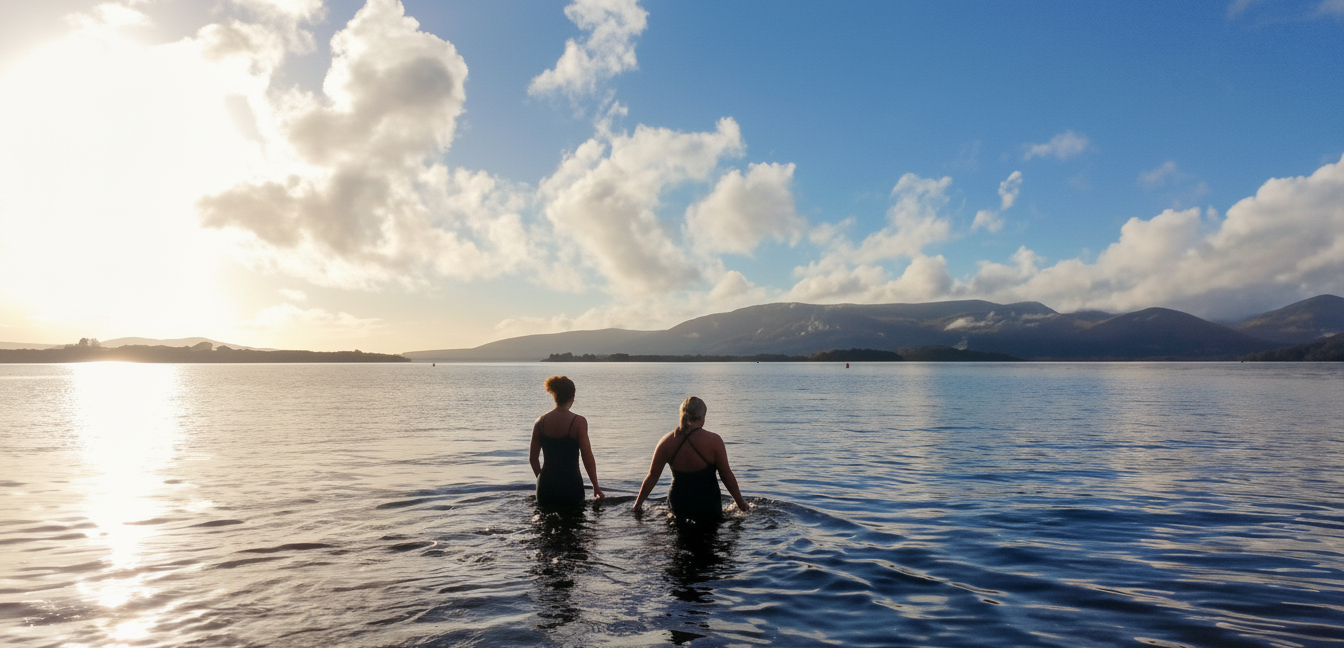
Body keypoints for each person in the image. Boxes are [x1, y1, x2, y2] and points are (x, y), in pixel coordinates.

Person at [633, 396, 750, 521]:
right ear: (702, 417)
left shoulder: (665, 442)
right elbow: (726, 475)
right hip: (708, 504)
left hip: (679, 503)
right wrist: (740, 503)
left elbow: (652, 476)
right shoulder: (714, 441)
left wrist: (638, 504)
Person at [530, 376, 604, 508]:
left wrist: (541, 481)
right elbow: (587, 456)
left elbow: (533, 459)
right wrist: (596, 486)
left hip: (545, 487)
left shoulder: (539, 422)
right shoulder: (578, 422)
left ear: (554, 396)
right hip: (571, 486)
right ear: (572, 397)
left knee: (544, 525)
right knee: (574, 524)